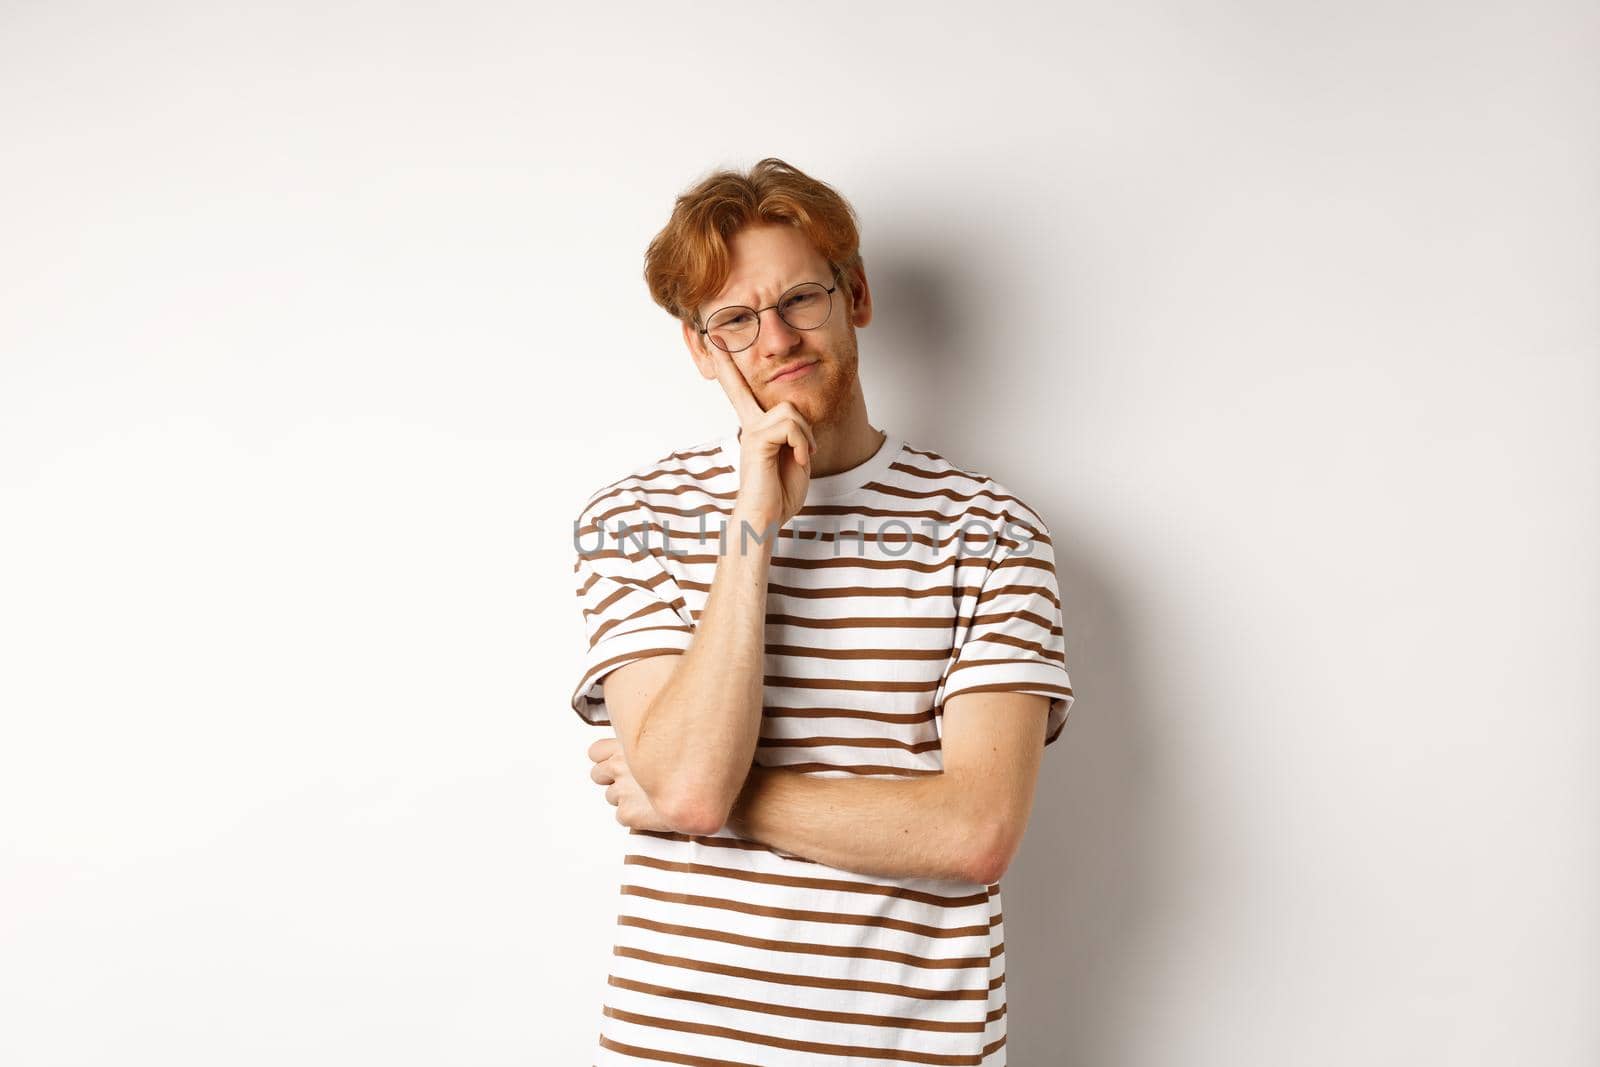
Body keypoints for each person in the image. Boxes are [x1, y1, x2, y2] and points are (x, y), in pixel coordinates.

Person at [568, 157, 1076, 1066]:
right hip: (679, 1046)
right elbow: (689, 782)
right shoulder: (631, 521)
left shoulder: (992, 530)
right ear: (700, 350)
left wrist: (711, 804)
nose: (776, 339)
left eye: (801, 297)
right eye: (734, 321)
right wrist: (752, 525)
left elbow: (976, 833)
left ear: (858, 296)